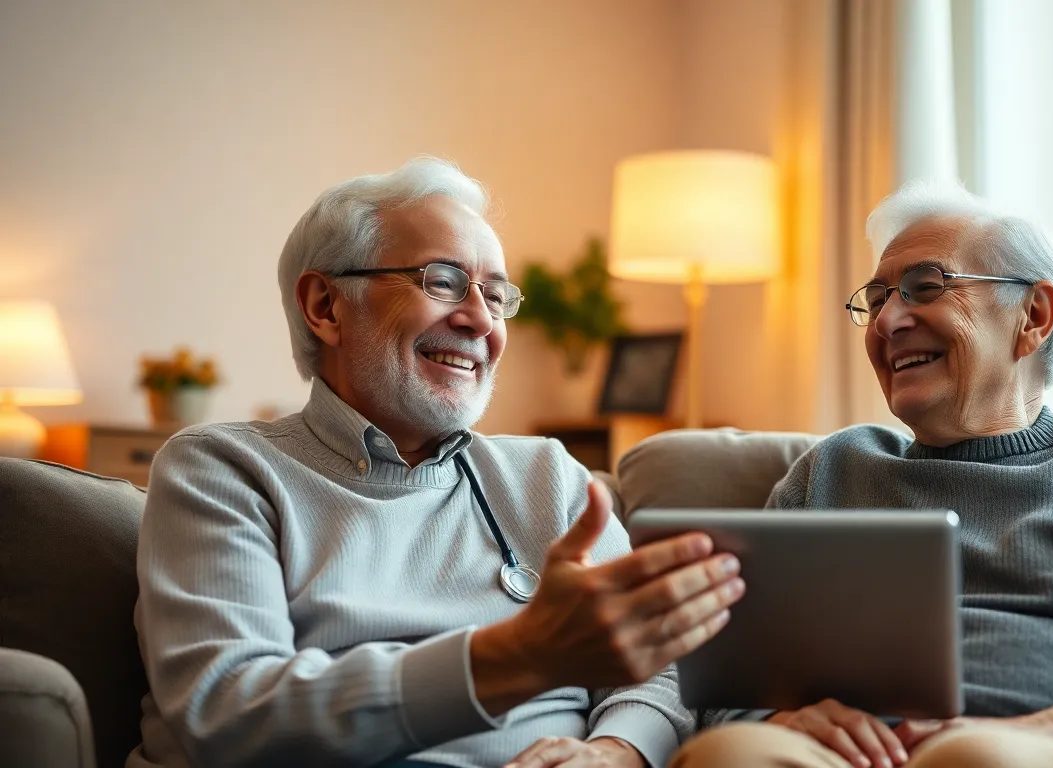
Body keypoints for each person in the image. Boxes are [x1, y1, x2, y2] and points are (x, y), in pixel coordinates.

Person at [129, 157, 745, 768]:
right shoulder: (222, 469)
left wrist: (616, 752)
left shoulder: (548, 478)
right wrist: (522, 653)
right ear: (326, 306)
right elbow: (230, 713)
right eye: (443, 281)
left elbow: (657, 672)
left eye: (496, 296)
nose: (481, 320)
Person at [672, 181, 1053, 768]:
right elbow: (726, 685)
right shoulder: (833, 471)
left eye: (925, 287)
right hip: (855, 759)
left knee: (970, 761)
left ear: (1033, 316)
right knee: (732, 753)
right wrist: (787, 719)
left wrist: (1044, 731)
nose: (889, 322)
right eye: (880, 297)